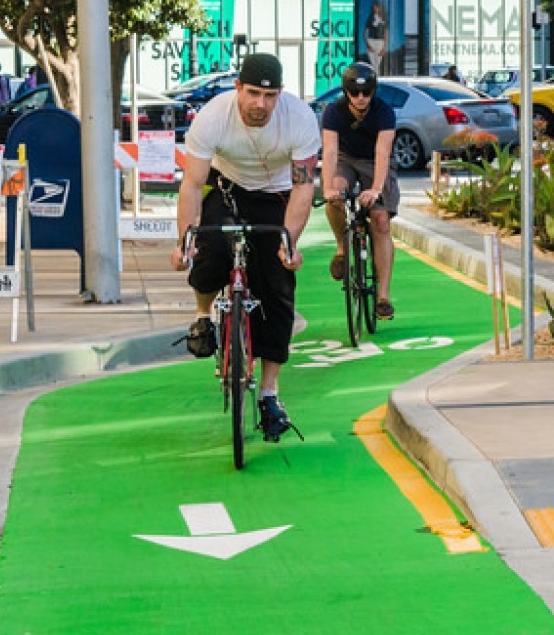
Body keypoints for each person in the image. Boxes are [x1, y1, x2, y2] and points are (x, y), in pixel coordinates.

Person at [171, 53, 320, 442]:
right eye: (253, 93)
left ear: (280, 94)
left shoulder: (300, 118)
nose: (261, 104)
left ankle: (270, 395)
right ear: (238, 88)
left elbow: (304, 185)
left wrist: (290, 243)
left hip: (278, 198)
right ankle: (204, 316)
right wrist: (184, 240)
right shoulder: (213, 117)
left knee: (278, 287)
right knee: (207, 254)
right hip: (228, 189)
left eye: (270, 96)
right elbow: (191, 184)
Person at [319, 62, 399, 320]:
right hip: (346, 159)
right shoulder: (333, 111)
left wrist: (375, 189)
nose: (361, 98)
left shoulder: (384, 112)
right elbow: (330, 152)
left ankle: (384, 296)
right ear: (346, 92)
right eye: (354, 93)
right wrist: (328, 187)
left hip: (375, 163)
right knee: (336, 195)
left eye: (366, 93)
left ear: (373, 91)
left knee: (380, 220)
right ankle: (342, 247)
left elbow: (382, 152)